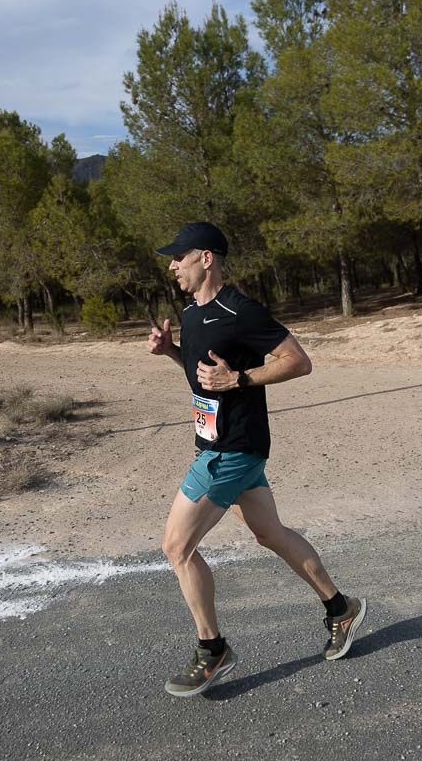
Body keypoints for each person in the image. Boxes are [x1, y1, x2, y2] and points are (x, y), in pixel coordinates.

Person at [148, 220, 367, 697]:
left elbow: (298, 361)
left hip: (232, 449)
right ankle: (340, 609)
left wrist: (241, 380)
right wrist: (171, 352)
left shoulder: (240, 309)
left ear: (206, 258)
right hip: (222, 442)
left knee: (176, 547)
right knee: (271, 533)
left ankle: (213, 650)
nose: (171, 265)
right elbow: (201, 374)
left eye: (179, 257)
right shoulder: (191, 313)